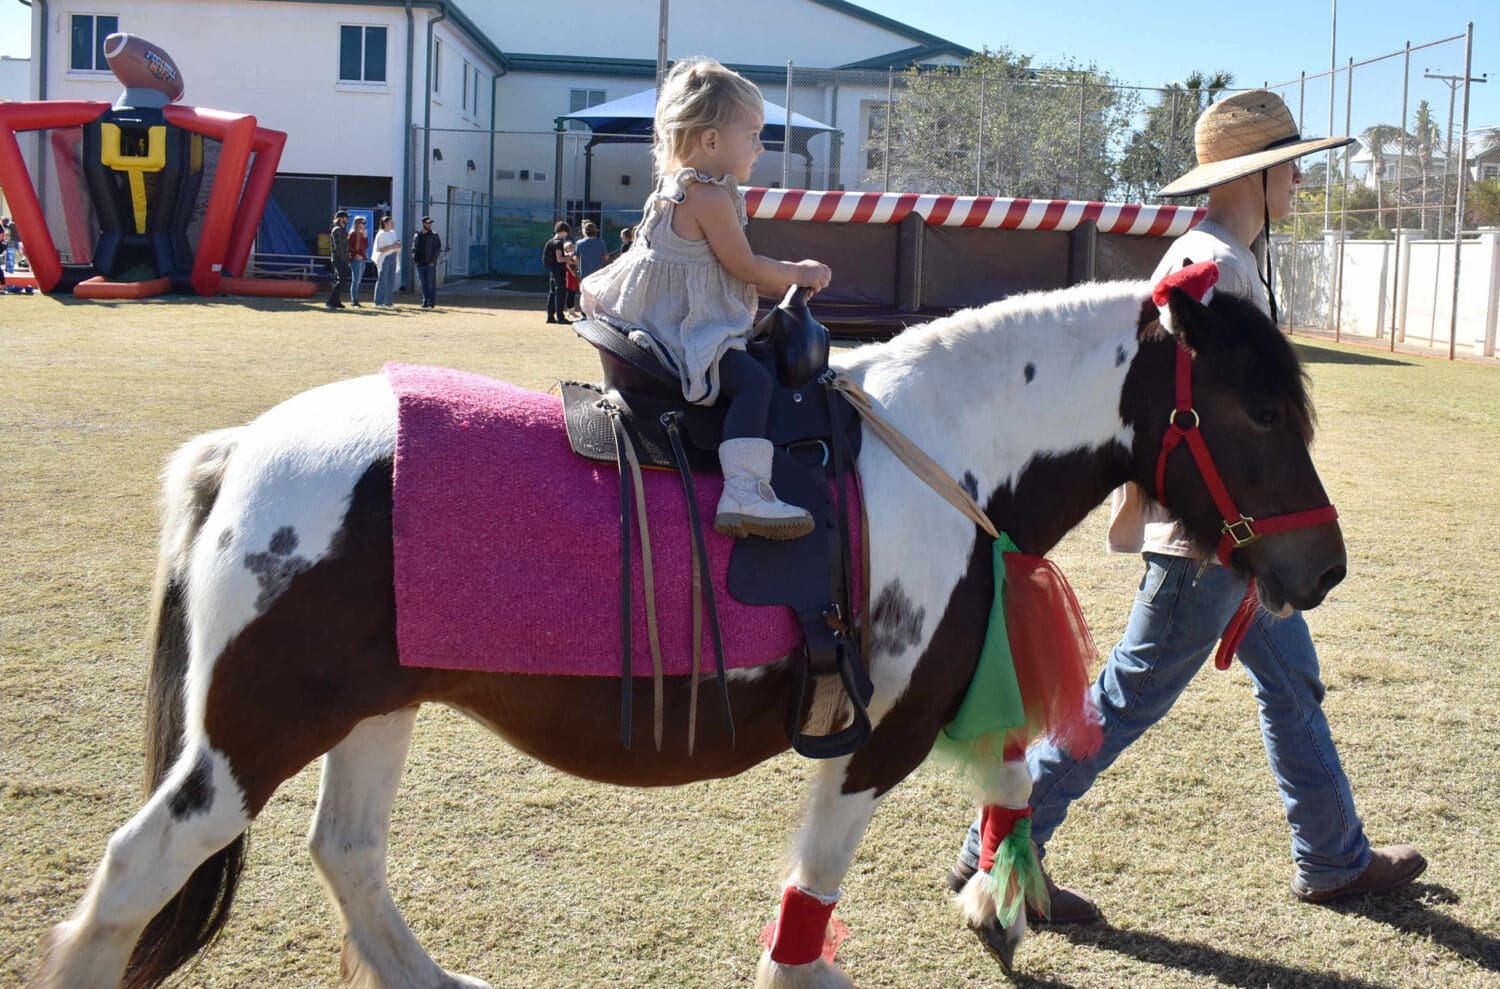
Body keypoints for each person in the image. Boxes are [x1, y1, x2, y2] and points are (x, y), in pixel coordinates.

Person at [949, 90, 1426, 929]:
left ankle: (1333, 854)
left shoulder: (1223, 257)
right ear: (1263, 172)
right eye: (1294, 164)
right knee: (1127, 697)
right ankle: (992, 850)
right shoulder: (1218, 266)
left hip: (1235, 536)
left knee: (1291, 684)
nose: (1303, 179)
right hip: (1208, 543)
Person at [581, 57, 831, 540]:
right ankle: (744, 489)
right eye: (753, 134)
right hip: (678, 325)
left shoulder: (680, 189)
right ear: (712, 141)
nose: (761, 146)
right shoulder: (709, 197)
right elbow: (744, 268)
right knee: (753, 383)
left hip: (656, 311)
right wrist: (799, 273)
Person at [542, 220, 572, 324]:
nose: (566, 235)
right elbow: (559, 259)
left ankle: (550, 316)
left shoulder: (550, 242)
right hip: (559, 271)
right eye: (566, 232)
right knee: (560, 293)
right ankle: (560, 317)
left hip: (552, 270)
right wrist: (568, 257)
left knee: (552, 293)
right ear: (563, 231)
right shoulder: (559, 243)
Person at [371, 214, 401, 307]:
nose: (392, 224)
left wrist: (398, 245)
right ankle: (379, 301)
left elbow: (396, 243)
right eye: (390, 223)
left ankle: (388, 301)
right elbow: (379, 249)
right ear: (385, 224)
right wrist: (392, 246)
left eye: (392, 222)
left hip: (393, 256)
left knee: (391, 280)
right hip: (384, 258)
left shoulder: (393, 232)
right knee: (382, 280)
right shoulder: (381, 234)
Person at [412, 215, 442, 308]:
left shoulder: (434, 235)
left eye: (430, 223)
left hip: (430, 264)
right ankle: (425, 301)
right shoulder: (417, 235)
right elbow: (413, 248)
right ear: (423, 224)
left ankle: (431, 303)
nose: (429, 225)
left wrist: (433, 261)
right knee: (423, 284)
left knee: (431, 284)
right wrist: (415, 260)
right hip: (420, 263)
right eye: (427, 223)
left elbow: (437, 249)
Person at [326, 210, 350, 310]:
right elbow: (338, 247)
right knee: (341, 280)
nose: (347, 219)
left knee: (340, 280)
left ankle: (336, 301)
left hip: (342, 259)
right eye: (346, 217)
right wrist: (344, 259)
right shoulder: (337, 230)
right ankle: (331, 301)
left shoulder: (342, 229)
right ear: (341, 218)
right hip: (339, 259)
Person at [574, 219, 608, 285]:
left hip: (584, 274)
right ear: (595, 231)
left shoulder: (579, 243)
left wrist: (579, 267)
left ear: (584, 231)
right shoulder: (600, 242)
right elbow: (606, 257)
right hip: (598, 273)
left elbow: (576, 258)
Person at [347, 215, 370, 307]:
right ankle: (354, 300)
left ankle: (355, 299)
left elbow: (366, 246)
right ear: (358, 224)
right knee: (356, 280)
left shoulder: (361, 233)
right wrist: (355, 254)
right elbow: (348, 246)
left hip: (362, 258)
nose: (364, 225)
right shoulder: (352, 233)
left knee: (358, 280)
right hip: (356, 259)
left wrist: (365, 237)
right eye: (363, 223)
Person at [562, 240, 582, 319]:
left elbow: (577, 264)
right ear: (566, 249)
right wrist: (572, 272)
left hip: (575, 276)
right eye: (569, 247)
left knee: (573, 293)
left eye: (572, 247)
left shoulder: (574, 256)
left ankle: (573, 311)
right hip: (569, 276)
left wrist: (576, 266)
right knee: (570, 294)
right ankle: (570, 311)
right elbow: (567, 265)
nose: (571, 248)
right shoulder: (566, 256)